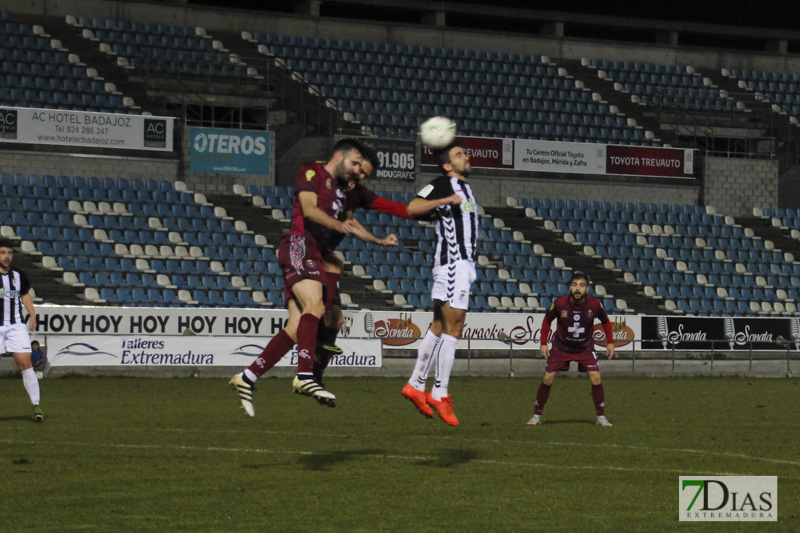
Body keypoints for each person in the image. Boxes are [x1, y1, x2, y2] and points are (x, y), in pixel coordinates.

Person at [229, 139, 398, 416]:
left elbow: (352, 222)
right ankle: (306, 375)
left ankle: (248, 377)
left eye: (362, 171)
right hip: (299, 245)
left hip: (317, 252)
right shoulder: (312, 173)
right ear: (341, 158)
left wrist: (378, 240)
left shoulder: (345, 191)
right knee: (316, 307)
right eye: (356, 165)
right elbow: (310, 211)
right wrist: (340, 225)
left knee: (308, 323)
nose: (358, 174)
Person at [401, 141, 477, 426]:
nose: (466, 157)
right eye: (459, 155)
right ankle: (440, 392)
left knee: (438, 327)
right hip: (452, 263)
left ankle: (416, 385)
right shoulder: (445, 184)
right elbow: (413, 207)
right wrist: (443, 201)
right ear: (447, 166)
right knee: (454, 327)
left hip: (460, 265)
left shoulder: (466, 189)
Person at [527, 271, 615, 427]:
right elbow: (547, 321)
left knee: (596, 377)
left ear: (587, 289)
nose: (577, 289)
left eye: (581, 285)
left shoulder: (594, 304)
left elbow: (606, 321)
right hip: (561, 347)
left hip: (585, 348)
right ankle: (536, 416)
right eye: (574, 285)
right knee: (547, 378)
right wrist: (543, 343)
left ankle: (601, 418)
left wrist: (610, 342)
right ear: (569, 288)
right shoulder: (560, 303)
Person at [0, 240, 43, 422]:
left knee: (26, 366)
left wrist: (32, 315)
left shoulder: (18, 275)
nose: (7, 256)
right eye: (2, 253)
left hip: (16, 325)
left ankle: (36, 406)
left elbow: (25, 294)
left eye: (9, 253)